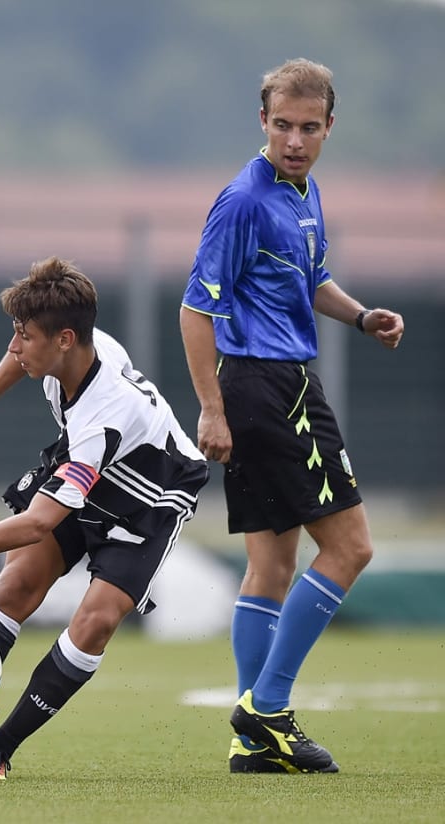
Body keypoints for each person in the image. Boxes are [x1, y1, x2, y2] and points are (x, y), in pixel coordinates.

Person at [0, 256, 209, 780]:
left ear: (64, 339)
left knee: (94, 623)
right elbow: (20, 359)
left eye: (24, 336)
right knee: (15, 585)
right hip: (91, 465)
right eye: (16, 331)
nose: (14, 346)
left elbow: (37, 522)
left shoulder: (103, 416)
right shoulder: (67, 352)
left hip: (149, 494)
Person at [178, 58, 404, 774]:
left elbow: (311, 280)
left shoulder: (304, 194)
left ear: (329, 127)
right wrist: (212, 409)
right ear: (262, 122)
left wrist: (362, 316)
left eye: (309, 128)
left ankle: (253, 743)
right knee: (352, 548)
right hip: (266, 390)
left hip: (270, 385)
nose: (295, 140)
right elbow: (195, 308)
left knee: (272, 567)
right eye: (283, 126)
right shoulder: (244, 200)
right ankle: (266, 707)